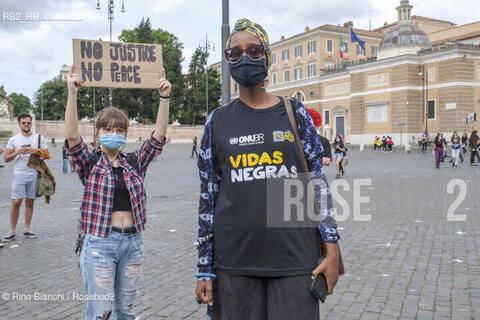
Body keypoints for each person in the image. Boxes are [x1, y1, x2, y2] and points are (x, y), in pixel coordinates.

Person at [194, 18, 340, 320]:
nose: (244, 58)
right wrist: (204, 268)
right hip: (234, 262)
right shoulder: (217, 121)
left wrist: (331, 246)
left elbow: (317, 182)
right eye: (234, 53)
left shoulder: (294, 112)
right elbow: (208, 198)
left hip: (295, 259)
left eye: (254, 51)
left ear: (267, 58)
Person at [65, 65, 170, 319]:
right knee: (102, 312)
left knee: (127, 310)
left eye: (120, 130)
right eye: (108, 129)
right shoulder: (89, 164)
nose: (114, 134)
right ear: (98, 133)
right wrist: (72, 94)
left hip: (133, 242)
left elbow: (158, 137)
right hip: (101, 242)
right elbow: (71, 137)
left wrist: (164, 98)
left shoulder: (134, 162)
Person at [2, 114, 48, 242]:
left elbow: (47, 155)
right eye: (23, 123)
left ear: (31, 123)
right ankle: (12, 231)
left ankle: (27, 229)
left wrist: (37, 151)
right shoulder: (14, 139)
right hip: (19, 174)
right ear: (19, 124)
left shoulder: (39, 138)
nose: (26, 125)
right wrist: (17, 152)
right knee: (16, 202)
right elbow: (6, 159)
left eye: (28, 122)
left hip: (33, 174)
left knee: (29, 202)